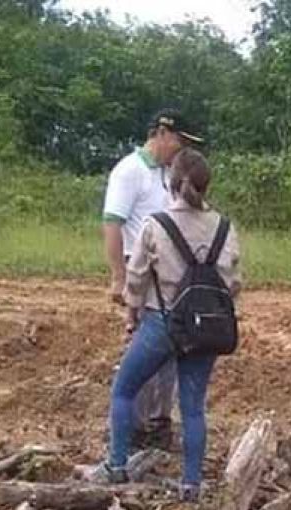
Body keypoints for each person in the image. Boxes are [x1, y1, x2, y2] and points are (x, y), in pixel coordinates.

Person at [98, 149, 242, 502]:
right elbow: (234, 283)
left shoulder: (155, 225)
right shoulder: (226, 228)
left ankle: (116, 466)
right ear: (206, 186)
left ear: (173, 184)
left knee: (124, 390)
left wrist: (132, 314)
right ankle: (190, 485)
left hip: (161, 323)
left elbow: (136, 279)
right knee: (193, 408)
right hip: (205, 329)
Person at [102, 108, 204, 451]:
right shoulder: (130, 172)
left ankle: (158, 422)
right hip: (141, 270)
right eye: (179, 140)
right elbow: (112, 223)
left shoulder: (167, 174)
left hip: (170, 276)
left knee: (170, 350)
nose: (181, 149)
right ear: (161, 133)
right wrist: (119, 277)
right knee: (143, 351)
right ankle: (135, 428)